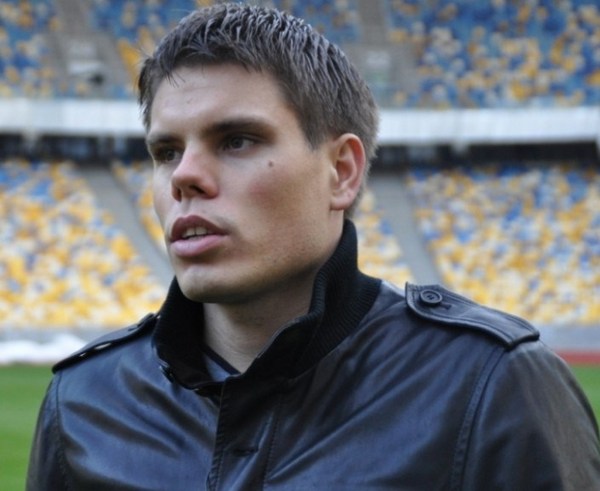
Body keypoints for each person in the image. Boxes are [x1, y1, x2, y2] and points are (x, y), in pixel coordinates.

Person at [27, 3, 600, 490]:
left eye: (237, 140)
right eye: (166, 152)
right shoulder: (82, 403)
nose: (184, 177)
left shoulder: (489, 385)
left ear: (341, 172)